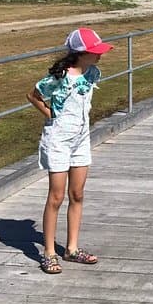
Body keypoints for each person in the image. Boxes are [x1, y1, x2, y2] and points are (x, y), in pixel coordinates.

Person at [26, 27, 113, 274]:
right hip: (58, 140)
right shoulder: (59, 76)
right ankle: (49, 252)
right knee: (56, 196)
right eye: (94, 52)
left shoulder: (93, 73)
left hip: (81, 139)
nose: (99, 56)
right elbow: (33, 95)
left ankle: (72, 249)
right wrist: (49, 113)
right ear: (80, 53)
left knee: (78, 194)